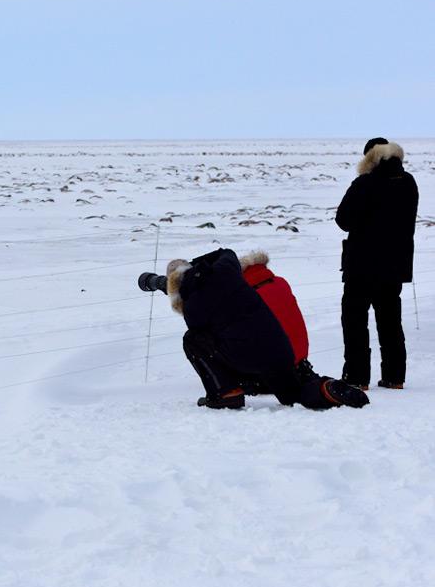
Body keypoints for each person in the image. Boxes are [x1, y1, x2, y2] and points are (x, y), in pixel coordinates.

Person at [160, 248, 366, 410]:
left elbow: (203, 334)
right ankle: (325, 389)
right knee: (292, 395)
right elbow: (226, 252)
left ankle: (225, 393)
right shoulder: (229, 269)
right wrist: (200, 264)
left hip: (249, 361)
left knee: (192, 340)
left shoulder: (194, 306)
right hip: (281, 352)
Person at [336, 138, 419, 390]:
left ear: (369, 158)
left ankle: (357, 377)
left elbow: (343, 220)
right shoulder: (408, 183)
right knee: (391, 320)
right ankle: (395, 376)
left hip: (361, 265)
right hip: (395, 265)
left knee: (355, 321)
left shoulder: (364, 183)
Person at [238, 251, 368, 409]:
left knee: (291, 393)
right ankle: (326, 388)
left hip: (277, 364)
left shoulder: (247, 295)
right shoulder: (281, 283)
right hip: (300, 359)